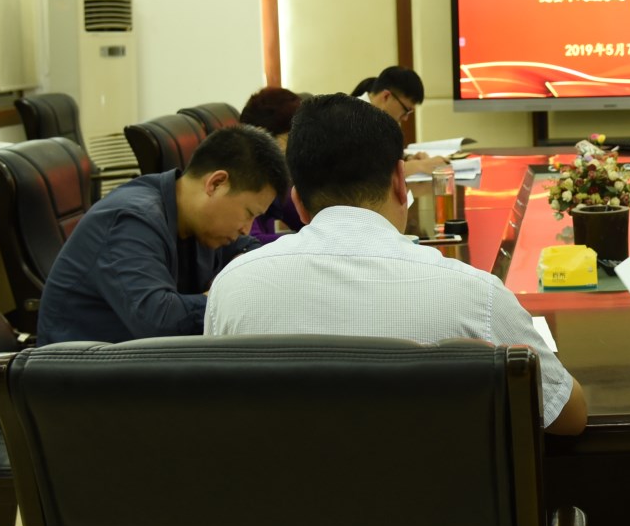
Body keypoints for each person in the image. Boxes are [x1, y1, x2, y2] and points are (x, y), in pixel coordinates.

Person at [207, 94, 587, 435]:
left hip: (283, 493)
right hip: (436, 495)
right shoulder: (477, 296)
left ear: (298, 203)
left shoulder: (233, 287)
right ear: (400, 183)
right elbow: (567, 416)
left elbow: (218, 419)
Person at [35, 125, 286, 344]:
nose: (246, 228)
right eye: (248, 213)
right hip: (82, 374)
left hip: (140, 365)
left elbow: (249, 249)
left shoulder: (202, 223)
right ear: (216, 183)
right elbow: (161, 322)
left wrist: (233, 279)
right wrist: (227, 294)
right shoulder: (131, 220)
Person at [239, 85, 310, 242]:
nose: (300, 146)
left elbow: (305, 219)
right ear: (263, 138)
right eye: (291, 138)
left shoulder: (275, 174)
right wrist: (309, 241)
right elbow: (250, 241)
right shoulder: (241, 175)